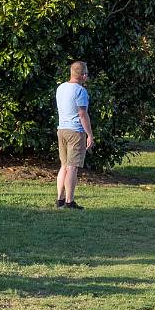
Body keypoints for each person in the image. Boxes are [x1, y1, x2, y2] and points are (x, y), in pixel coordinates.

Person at [55, 61, 94, 209]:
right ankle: (69, 201)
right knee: (72, 167)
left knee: (63, 165)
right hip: (75, 131)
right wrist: (89, 134)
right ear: (83, 75)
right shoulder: (80, 91)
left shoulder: (61, 88)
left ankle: (60, 198)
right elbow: (82, 114)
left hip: (62, 129)